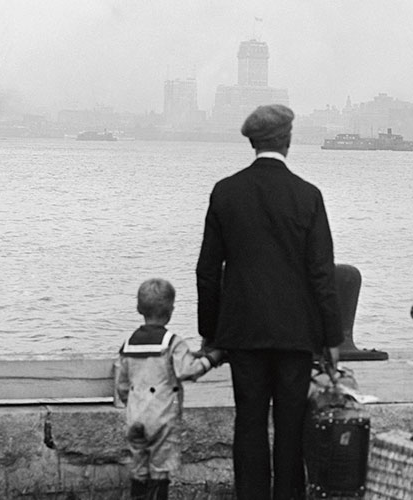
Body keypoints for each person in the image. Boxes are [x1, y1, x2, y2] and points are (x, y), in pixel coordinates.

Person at [195, 104, 343, 500]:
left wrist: (211, 333)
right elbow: (321, 275)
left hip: (242, 332)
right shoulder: (308, 196)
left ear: (254, 142)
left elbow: (207, 271)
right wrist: (332, 336)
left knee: (249, 425)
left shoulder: (225, 192)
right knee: (292, 430)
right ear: (287, 140)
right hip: (296, 334)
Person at [112, 278, 225, 500]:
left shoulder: (128, 344)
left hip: (135, 416)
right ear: (171, 310)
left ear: (138, 308)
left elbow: (122, 384)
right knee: (159, 470)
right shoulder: (172, 343)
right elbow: (187, 370)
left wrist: (131, 403)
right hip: (162, 417)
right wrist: (213, 358)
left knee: (139, 467)